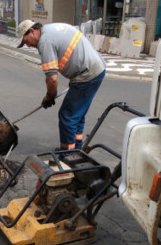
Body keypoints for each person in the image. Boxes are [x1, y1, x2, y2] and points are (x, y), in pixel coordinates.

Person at [16, 20, 106, 151]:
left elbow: (52, 79)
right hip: (95, 70)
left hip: (87, 74)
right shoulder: (51, 30)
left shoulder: (45, 42)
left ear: (32, 31)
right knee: (77, 115)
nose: (28, 45)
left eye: (26, 41)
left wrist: (49, 96)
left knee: (67, 116)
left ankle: (68, 154)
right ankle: (76, 149)